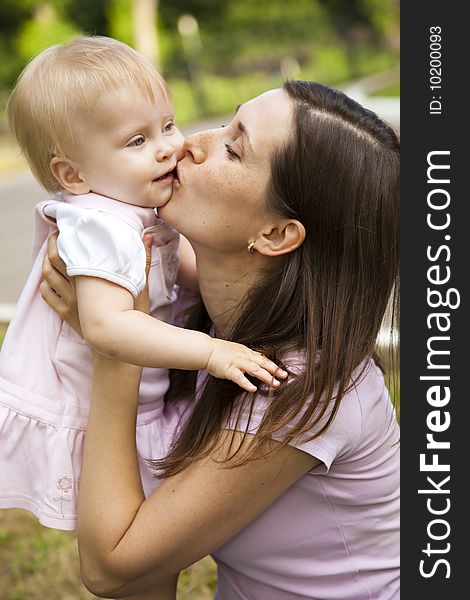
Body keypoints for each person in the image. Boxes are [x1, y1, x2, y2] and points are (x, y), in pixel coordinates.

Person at [42, 80, 400, 599]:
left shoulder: (293, 387)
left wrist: (117, 349)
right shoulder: (201, 324)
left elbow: (112, 568)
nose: (190, 142)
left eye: (233, 148)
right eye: (225, 122)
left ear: (276, 235)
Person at [0, 36, 285, 532]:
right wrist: (212, 352)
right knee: (133, 542)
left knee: (148, 544)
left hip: (138, 400)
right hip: (98, 413)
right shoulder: (99, 226)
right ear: (72, 174)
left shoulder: (135, 206)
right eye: (137, 141)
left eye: (168, 125)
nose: (169, 147)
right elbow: (108, 327)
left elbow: (179, 274)